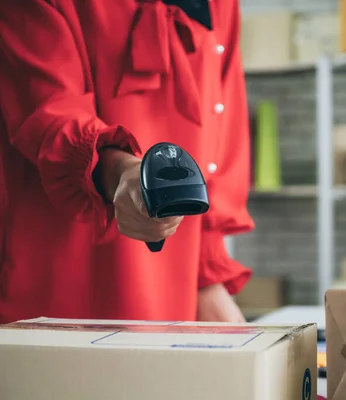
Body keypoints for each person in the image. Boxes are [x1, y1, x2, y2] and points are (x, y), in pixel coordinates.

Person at [0, 0, 254, 323]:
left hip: (175, 294)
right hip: (59, 295)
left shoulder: (223, 5)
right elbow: (51, 115)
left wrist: (207, 280)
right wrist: (124, 173)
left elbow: (220, 134)